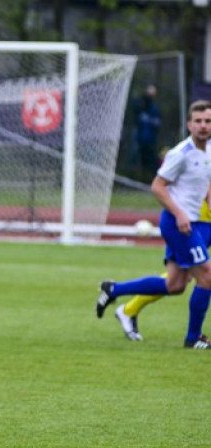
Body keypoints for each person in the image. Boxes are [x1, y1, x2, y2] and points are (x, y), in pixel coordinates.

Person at [96, 100, 211, 349]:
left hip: (191, 223)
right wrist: (179, 213)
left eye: (208, 121)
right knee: (207, 275)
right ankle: (193, 339)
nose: (203, 126)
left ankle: (113, 289)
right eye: (198, 121)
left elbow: (204, 181)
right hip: (179, 223)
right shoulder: (181, 154)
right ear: (190, 124)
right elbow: (157, 186)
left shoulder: (208, 151)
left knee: (175, 285)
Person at [134, 84, 163, 179]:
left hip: (150, 140)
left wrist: (149, 120)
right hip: (141, 139)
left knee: (151, 158)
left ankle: (152, 177)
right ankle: (141, 177)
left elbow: (157, 122)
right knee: (141, 158)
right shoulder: (141, 104)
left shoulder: (154, 108)